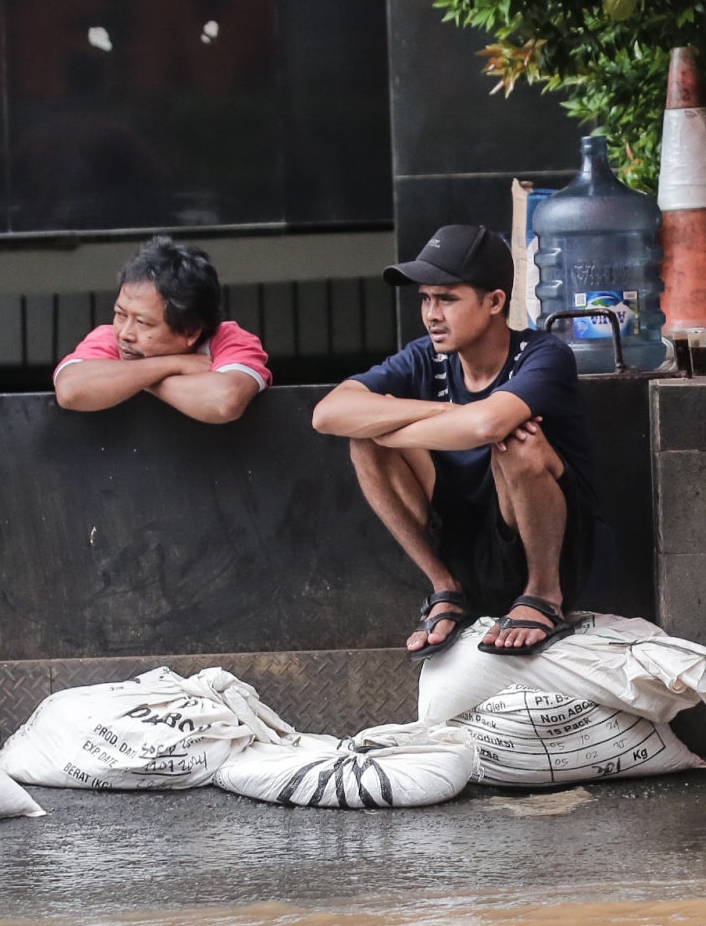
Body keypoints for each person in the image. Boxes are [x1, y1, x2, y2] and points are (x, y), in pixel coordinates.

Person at [312, 223, 602, 659]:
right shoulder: (424, 357)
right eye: (426, 299)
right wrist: (449, 415)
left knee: (517, 442)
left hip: (547, 549)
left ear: (494, 302)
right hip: (460, 544)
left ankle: (543, 597)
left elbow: (488, 426)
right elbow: (327, 414)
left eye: (447, 299)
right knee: (364, 441)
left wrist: (403, 419)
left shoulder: (542, 354)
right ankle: (445, 588)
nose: (432, 314)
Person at [53, 237, 270, 423]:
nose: (124, 333)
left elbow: (224, 401)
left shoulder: (229, 339)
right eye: (120, 314)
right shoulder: (109, 336)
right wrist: (172, 364)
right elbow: (71, 389)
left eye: (143, 322)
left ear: (191, 332)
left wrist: (134, 379)